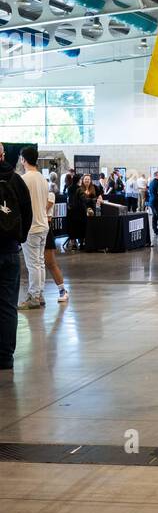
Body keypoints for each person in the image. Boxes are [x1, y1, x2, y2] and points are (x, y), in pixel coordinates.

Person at [0, 141, 33, 369]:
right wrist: (17, 239)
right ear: (3, 155)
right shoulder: (16, 179)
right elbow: (27, 214)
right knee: (7, 306)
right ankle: (4, 358)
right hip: (9, 250)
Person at [18, 145, 51, 311]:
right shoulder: (42, 179)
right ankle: (40, 293)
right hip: (43, 224)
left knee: (33, 264)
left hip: (31, 227)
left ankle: (34, 296)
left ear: (23, 159)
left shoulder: (24, 179)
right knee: (40, 262)